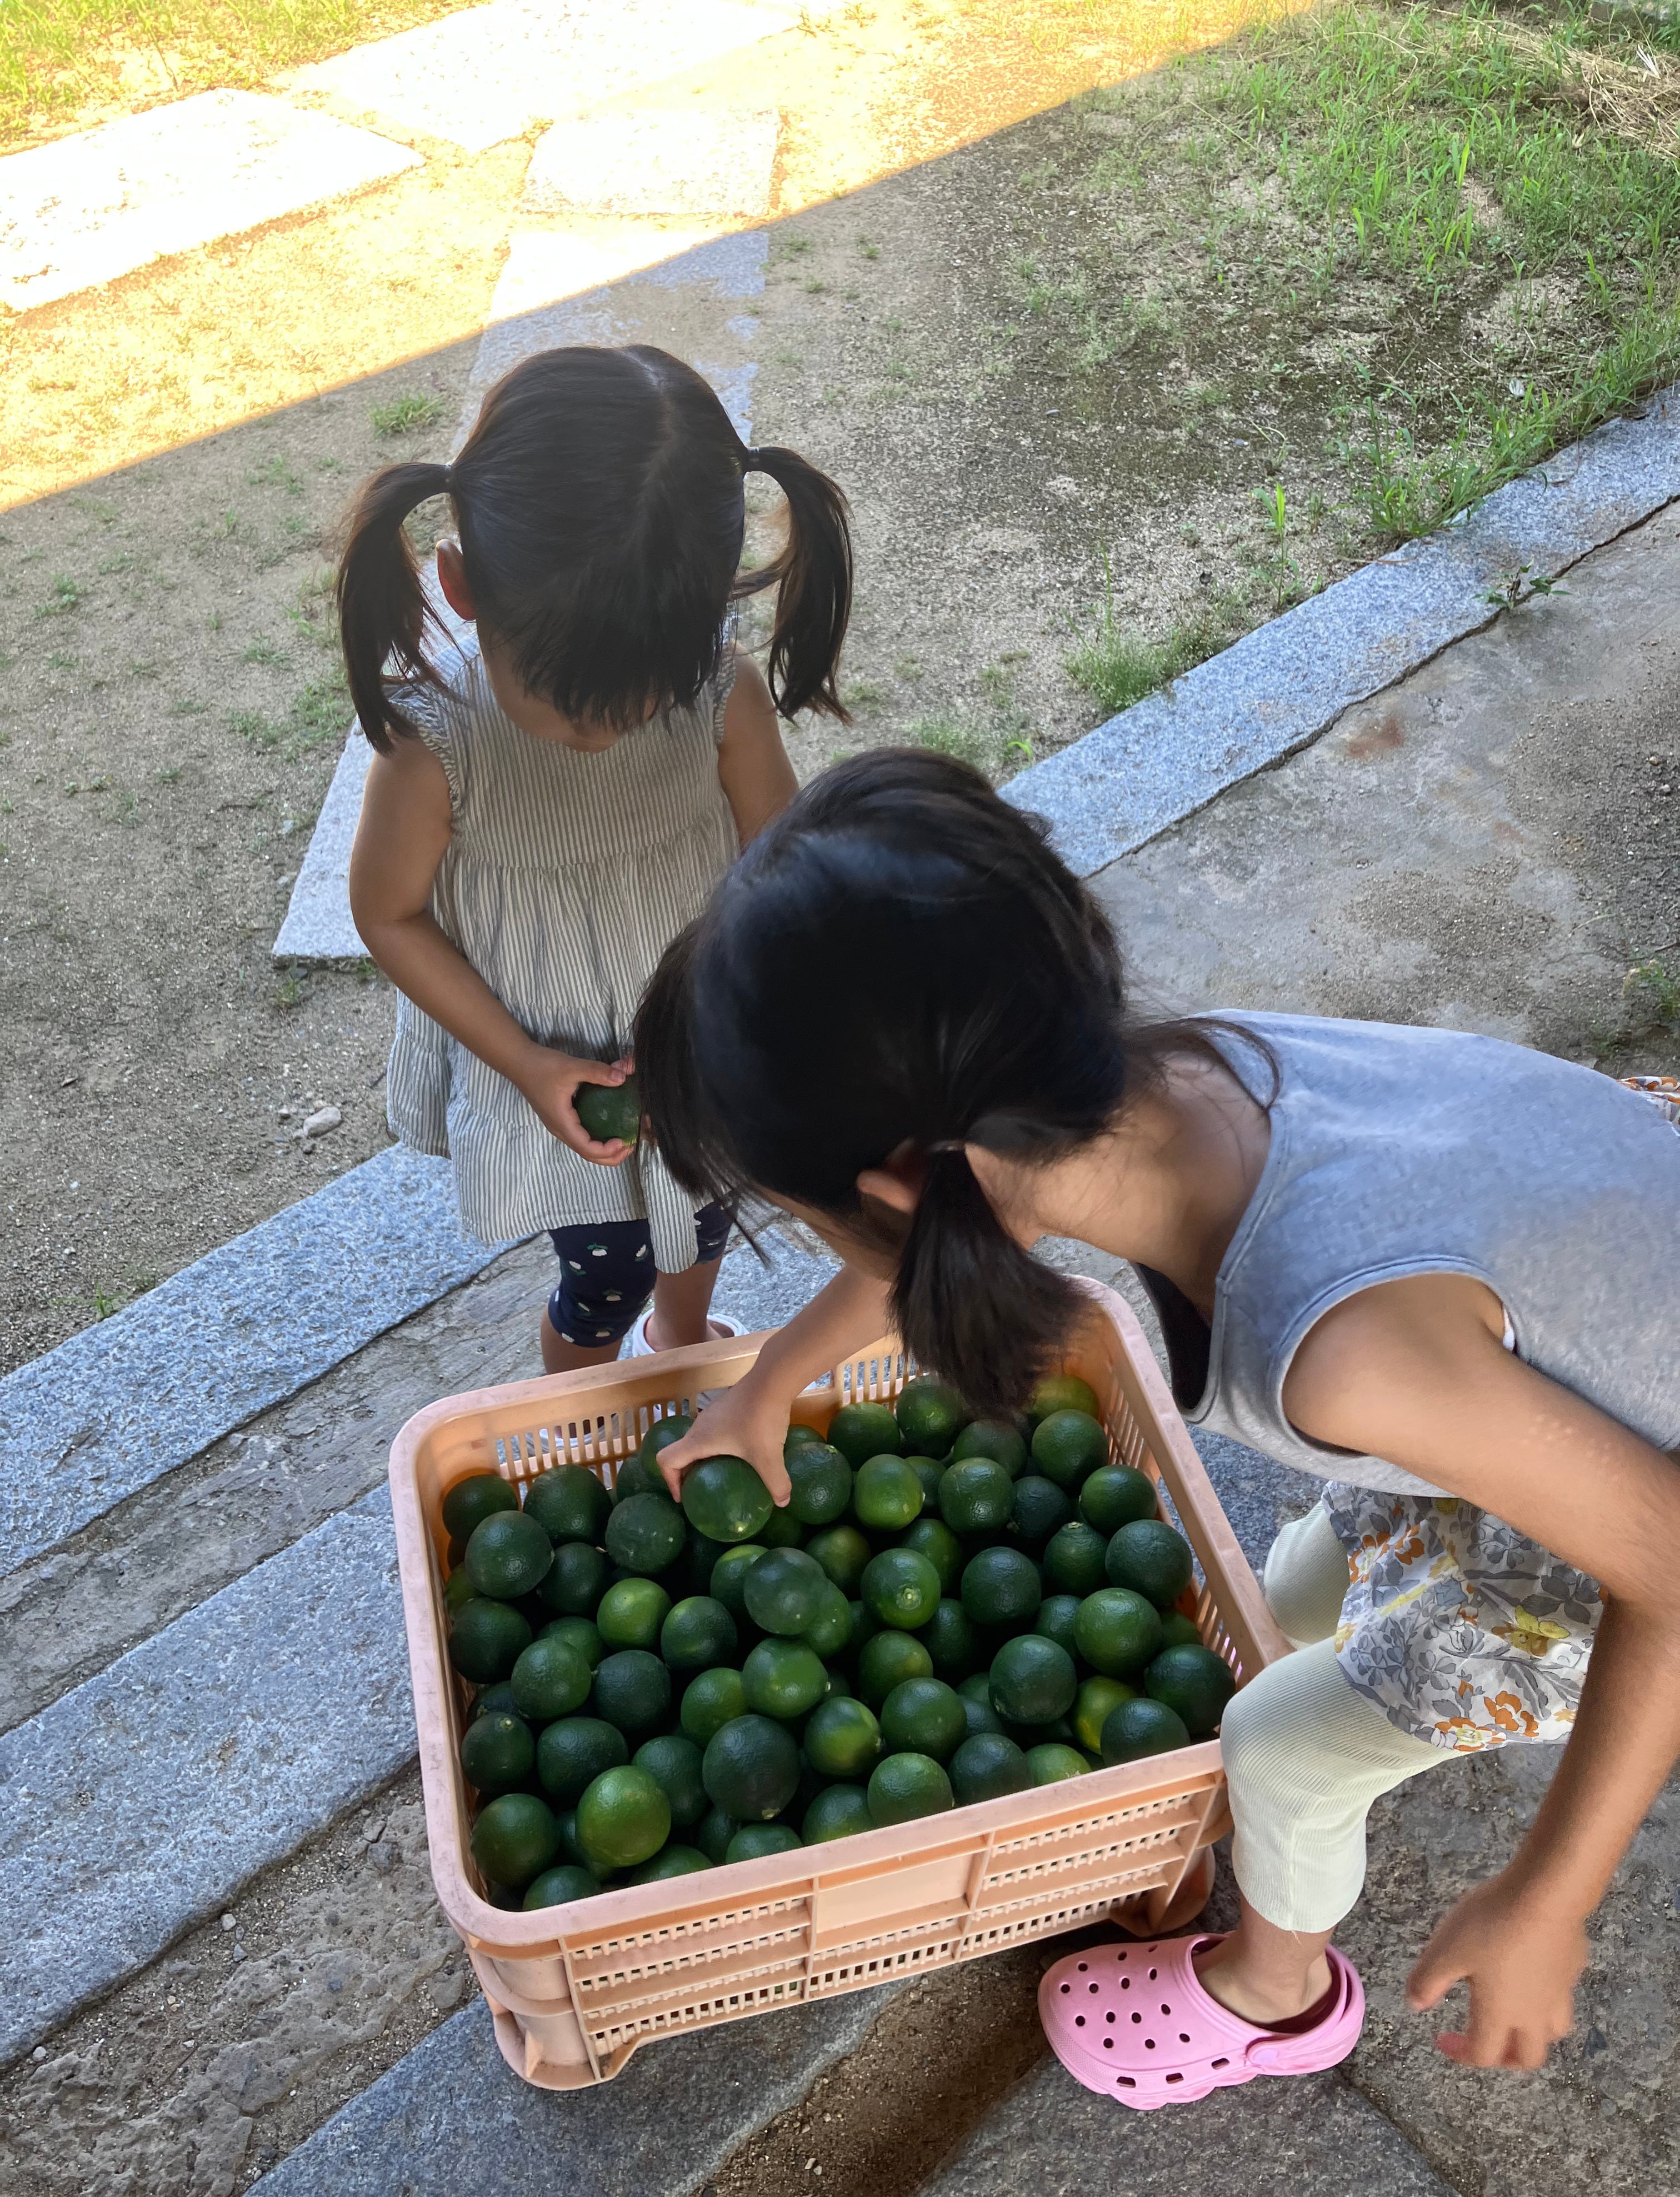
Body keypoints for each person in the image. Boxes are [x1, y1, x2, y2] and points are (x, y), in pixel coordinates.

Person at [636, 748, 1680, 2090]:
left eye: (808, 1216)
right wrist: (771, 1381)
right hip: (1561, 1331)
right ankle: (1319, 1669)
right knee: (1297, 1581)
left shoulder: (1335, 1355)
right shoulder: (1182, 1075)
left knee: (1277, 1750)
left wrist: (1548, 1900)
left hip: (1631, 1521)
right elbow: (956, 1227)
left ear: (896, 1185)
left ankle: (1278, 1995)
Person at [343, 345, 851, 1370]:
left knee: (705, 1211)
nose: (604, 728)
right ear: (461, 586)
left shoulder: (722, 695)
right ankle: (585, 1411)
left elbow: (781, 869)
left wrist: (733, 1027)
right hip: (550, 1065)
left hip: (700, 1042)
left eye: (640, 691)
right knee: (603, 1273)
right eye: (569, 698)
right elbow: (388, 915)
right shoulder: (432, 747)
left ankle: (682, 1338)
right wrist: (528, 1063)